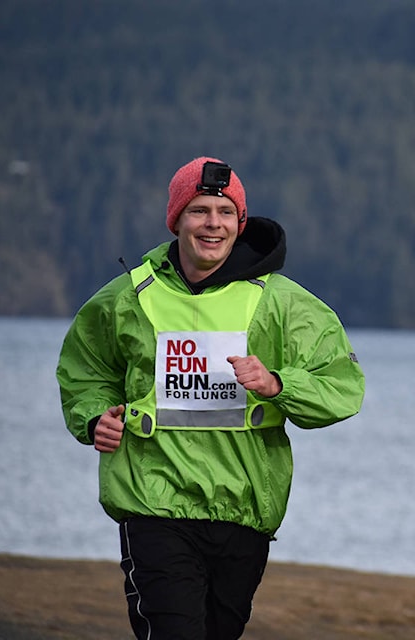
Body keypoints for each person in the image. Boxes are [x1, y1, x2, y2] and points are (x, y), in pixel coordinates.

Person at [56, 156, 365, 639]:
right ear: (176, 218)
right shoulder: (128, 298)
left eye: (224, 212)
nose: (212, 224)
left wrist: (280, 384)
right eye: (199, 210)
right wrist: (95, 418)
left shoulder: (281, 303)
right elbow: (86, 370)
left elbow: (343, 387)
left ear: (240, 224)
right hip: (153, 503)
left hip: (242, 509)